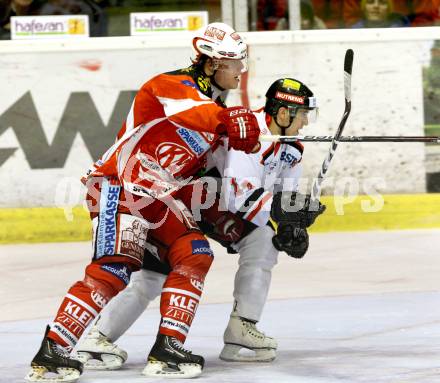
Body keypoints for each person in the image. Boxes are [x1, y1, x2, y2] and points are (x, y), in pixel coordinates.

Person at [25, 22, 261, 382]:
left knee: (194, 251)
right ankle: (52, 354)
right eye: (234, 63)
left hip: (160, 196)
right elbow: (190, 110)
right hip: (120, 185)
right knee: (114, 268)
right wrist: (229, 121)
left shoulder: (216, 111)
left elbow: (208, 173)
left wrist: (250, 147)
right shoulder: (170, 85)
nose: (241, 70)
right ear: (212, 64)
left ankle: (168, 349)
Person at [75, 77, 325, 369]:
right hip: (187, 200)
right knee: (154, 275)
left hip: (217, 206)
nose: (306, 123)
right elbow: (236, 195)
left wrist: (291, 227)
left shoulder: (292, 148)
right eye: (304, 115)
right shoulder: (248, 133)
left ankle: (241, 329)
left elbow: (284, 196)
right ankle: (99, 338)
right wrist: (280, 209)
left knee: (264, 242)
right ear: (284, 113)